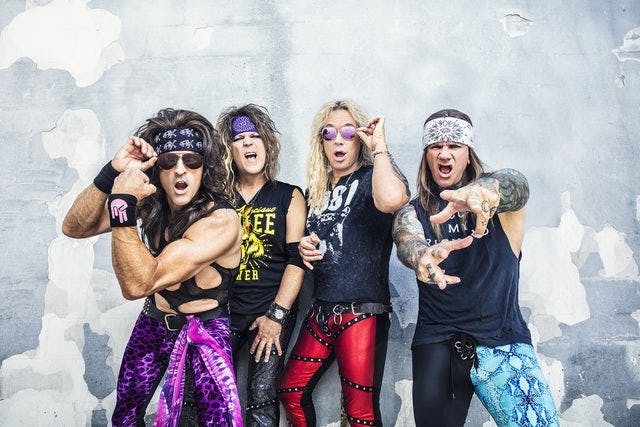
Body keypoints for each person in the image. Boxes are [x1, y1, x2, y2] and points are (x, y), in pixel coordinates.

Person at [62, 108, 243, 426]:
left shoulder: (220, 222)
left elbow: (138, 284)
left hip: (205, 328)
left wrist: (122, 203)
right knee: (126, 415)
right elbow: (74, 227)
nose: (180, 170)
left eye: (192, 160)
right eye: (169, 161)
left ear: (205, 167)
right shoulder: (151, 205)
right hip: (155, 322)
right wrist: (112, 172)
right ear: (157, 169)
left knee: (217, 421)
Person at [392, 108, 559, 426]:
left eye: (454, 145)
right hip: (438, 341)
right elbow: (406, 239)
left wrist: (483, 192)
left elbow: (517, 183)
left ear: (468, 154)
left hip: (503, 340)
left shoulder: (499, 205)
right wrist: (422, 257)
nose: (444, 153)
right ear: (426, 155)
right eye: (435, 146)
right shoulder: (414, 211)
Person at [277, 99, 411, 426]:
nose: (339, 140)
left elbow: (393, 199)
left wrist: (379, 147)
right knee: (291, 390)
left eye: (349, 132)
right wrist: (305, 247)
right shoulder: (316, 190)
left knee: (359, 413)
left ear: (359, 138)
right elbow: (313, 240)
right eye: (330, 133)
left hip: (362, 311)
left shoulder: (372, 177)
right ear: (321, 141)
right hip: (321, 310)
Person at [216, 104, 307, 426]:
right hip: (221, 312)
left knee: (262, 395)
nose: (248, 143)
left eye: (255, 136)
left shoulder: (289, 196)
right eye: (239, 139)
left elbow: (297, 260)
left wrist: (276, 316)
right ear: (229, 150)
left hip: (271, 309)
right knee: (205, 392)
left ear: (267, 144)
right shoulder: (218, 199)